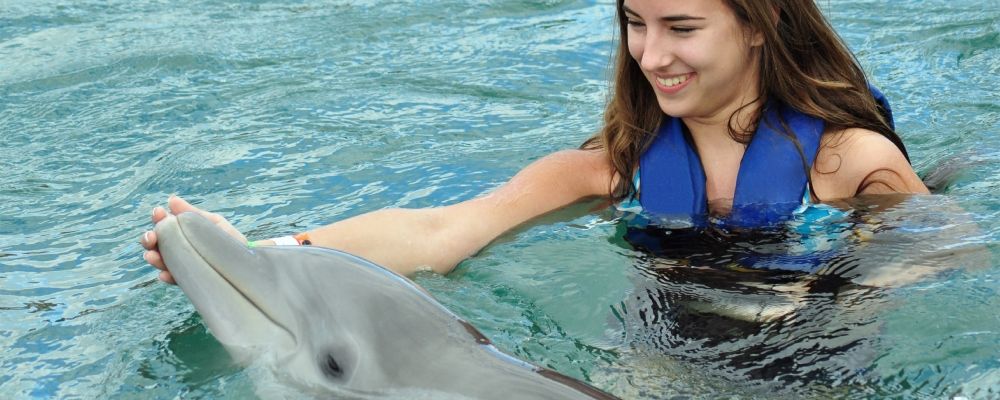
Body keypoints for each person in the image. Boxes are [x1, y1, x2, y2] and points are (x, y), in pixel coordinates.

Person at [140, 0, 929, 284]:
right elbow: (443, 230)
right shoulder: (611, 170)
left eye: (682, 28)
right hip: (660, 365)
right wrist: (260, 254)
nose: (651, 56)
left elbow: (946, 265)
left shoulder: (850, 164)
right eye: (634, 24)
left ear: (760, 26)